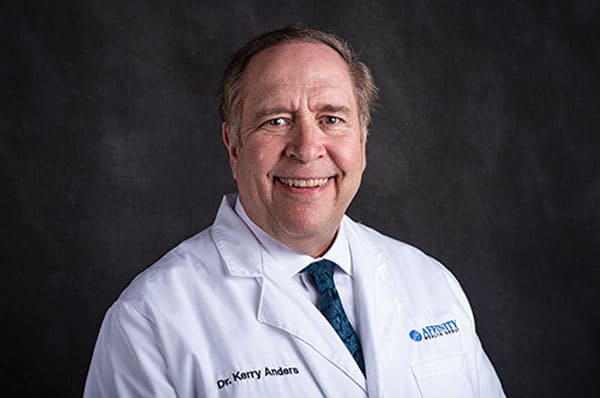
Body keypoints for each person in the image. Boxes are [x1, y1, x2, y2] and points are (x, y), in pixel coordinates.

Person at [84, 27, 506, 397]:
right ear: (233, 145)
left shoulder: (431, 284)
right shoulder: (149, 322)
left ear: (363, 139)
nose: (307, 149)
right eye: (276, 121)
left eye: (331, 119)